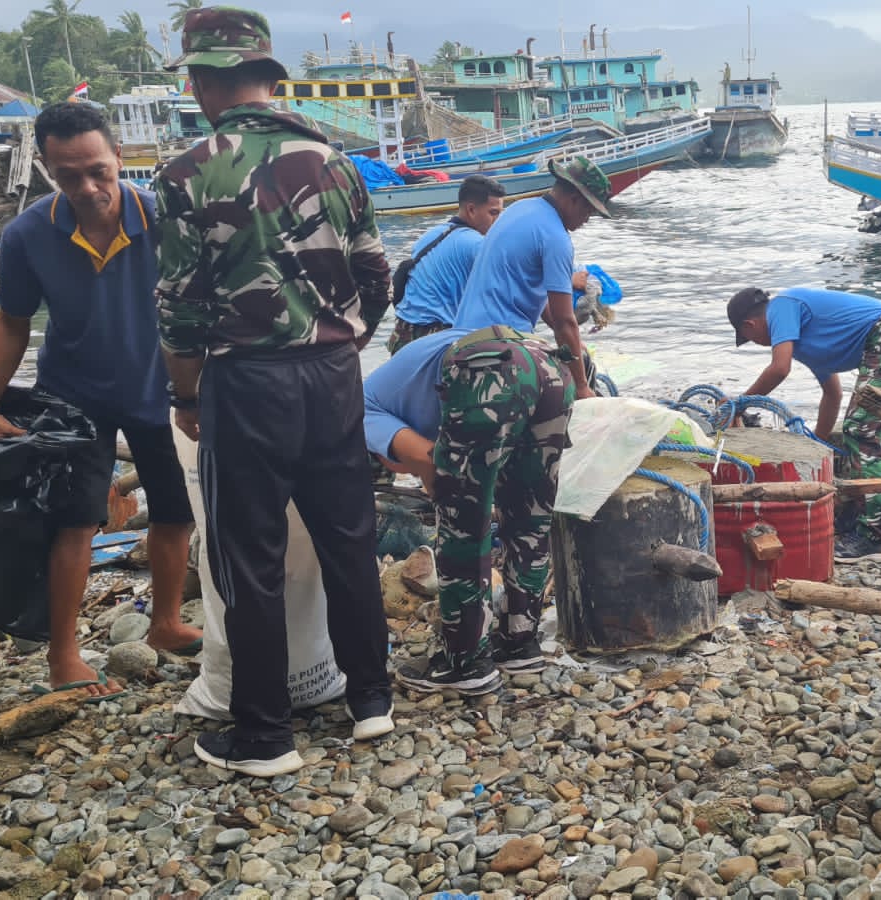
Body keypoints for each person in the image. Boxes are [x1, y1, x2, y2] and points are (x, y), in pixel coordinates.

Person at [156, 6, 394, 776]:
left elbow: (180, 310)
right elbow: (375, 274)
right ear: (268, 74)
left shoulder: (187, 173)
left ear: (199, 82)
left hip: (246, 383)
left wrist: (186, 397)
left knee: (249, 556)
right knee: (349, 542)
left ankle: (263, 736)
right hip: (332, 378)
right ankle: (371, 702)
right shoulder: (339, 163)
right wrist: (343, 342)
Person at [0, 102, 201, 700]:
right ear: (47, 168)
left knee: (175, 510)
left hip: (162, 388)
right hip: (73, 395)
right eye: (68, 175)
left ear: (120, 156)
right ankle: (64, 654)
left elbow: (204, 307)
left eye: (98, 169)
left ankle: (167, 622)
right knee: (73, 522)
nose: (88, 187)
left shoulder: (165, 218)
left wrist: (200, 391)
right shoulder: (27, 235)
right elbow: (12, 321)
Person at [363, 324, 573, 694]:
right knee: (530, 516)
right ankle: (519, 643)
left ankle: (465, 663)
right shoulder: (397, 383)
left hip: (487, 376)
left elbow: (423, 457)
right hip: (549, 366)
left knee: (463, 527)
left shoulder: (358, 408)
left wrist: (451, 496)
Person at [727, 287, 881, 562]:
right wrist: (815, 446)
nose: (756, 342)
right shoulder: (809, 344)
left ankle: (874, 539)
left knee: (861, 431)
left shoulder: (782, 306)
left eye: (748, 338)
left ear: (750, 325)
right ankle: (864, 522)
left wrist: (739, 403)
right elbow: (832, 394)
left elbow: (779, 368)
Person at [452, 157, 610, 402]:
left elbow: (544, 305)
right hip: (498, 348)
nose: (587, 219)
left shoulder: (521, 209)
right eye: (589, 211)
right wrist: (580, 387)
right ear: (575, 200)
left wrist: (575, 348)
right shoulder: (556, 238)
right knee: (565, 390)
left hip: (462, 338)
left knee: (580, 357)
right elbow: (564, 320)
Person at [387, 174, 506, 355]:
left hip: (401, 334)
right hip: (433, 338)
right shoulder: (476, 244)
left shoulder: (431, 235)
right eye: (493, 213)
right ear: (471, 210)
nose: (498, 221)